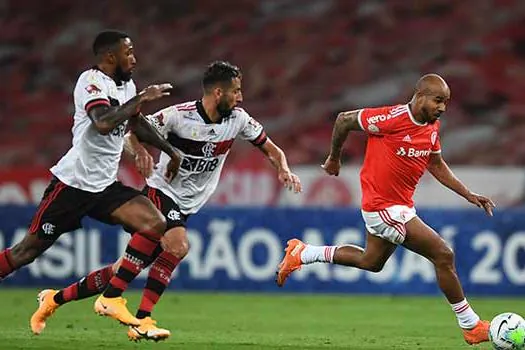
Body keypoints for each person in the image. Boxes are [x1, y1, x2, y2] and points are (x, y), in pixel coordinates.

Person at [30, 61, 302, 341]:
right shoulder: (178, 117)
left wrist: (283, 167)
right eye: (236, 91)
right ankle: (138, 316)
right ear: (218, 93)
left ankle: (54, 299)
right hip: (161, 193)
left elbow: (270, 147)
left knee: (121, 268)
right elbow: (131, 134)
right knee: (178, 245)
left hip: (188, 204)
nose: (241, 97)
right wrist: (139, 153)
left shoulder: (239, 120)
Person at [276, 74, 496, 346]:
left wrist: (468, 194)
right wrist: (334, 157)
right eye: (438, 101)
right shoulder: (391, 119)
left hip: (400, 207)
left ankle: (304, 253)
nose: (442, 108)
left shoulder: (432, 127)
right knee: (443, 254)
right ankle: (471, 325)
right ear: (420, 96)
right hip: (383, 208)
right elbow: (344, 119)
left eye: (446, 103)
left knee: (372, 262)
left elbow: (436, 165)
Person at [0, 30, 181, 328]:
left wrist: (170, 151)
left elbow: (136, 123)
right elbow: (103, 123)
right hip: (72, 185)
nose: (134, 58)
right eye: (129, 52)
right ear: (110, 56)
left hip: (104, 187)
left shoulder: (126, 85)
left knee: (156, 224)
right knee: (25, 252)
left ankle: (111, 298)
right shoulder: (90, 81)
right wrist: (139, 98)